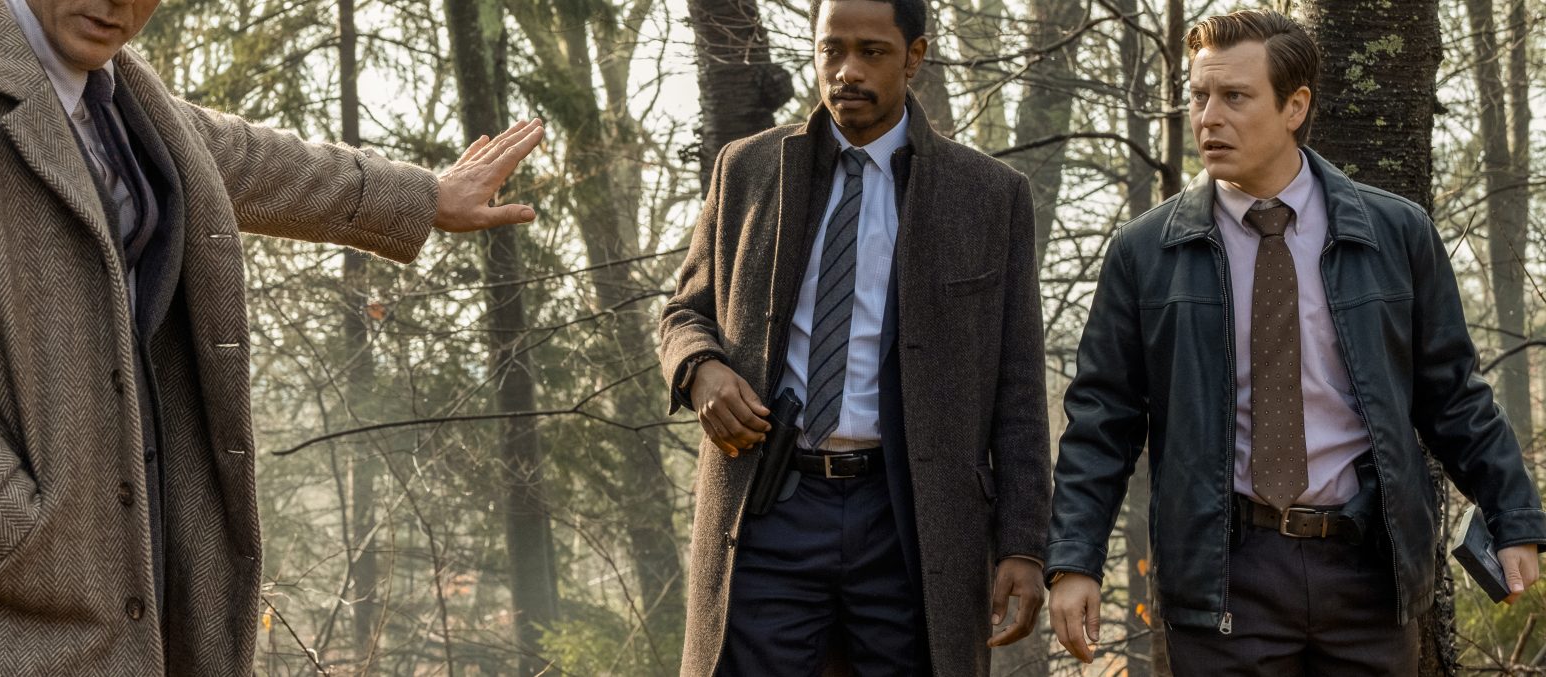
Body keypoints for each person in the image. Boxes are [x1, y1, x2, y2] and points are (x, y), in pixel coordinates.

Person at [0, 0, 541, 670]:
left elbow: (260, 163)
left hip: (115, 609)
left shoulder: (122, 101)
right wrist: (3, 514)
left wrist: (426, 197)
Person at [1045, 9, 1546, 675]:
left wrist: (1513, 517)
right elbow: (1102, 420)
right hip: (1225, 576)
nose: (1209, 118)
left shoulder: (1397, 235)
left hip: (1367, 571)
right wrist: (1074, 559)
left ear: (1295, 106)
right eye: (1199, 96)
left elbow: (1453, 396)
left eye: (1235, 96)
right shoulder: (1145, 253)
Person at [657, 0, 1050, 672]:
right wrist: (701, 369)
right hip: (768, 503)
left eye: (872, 52)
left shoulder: (989, 195)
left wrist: (1022, 542)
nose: (846, 71)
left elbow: (1017, 384)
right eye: (831, 49)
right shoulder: (747, 168)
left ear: (914, 56)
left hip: (912, 518)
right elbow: (684, 313)